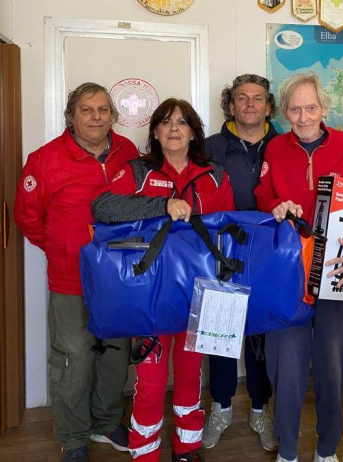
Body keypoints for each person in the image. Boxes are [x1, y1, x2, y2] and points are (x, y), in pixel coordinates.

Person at [254, 72, 343, 462]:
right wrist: (275, 207)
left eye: (311, 108)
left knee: (332, 368)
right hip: (289, 279)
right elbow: (262, 197)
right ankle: (287, 451)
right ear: (283, 111)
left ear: (325, 108)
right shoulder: (275, 149)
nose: (303, 118)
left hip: (338, 276)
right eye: (294, 109)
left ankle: (326, 450)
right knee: (285, 368)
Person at [92, 98, 235, 462]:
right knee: (152, 380)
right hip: (151, 295)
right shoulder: (138, 171)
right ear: (155, 131)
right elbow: (103, 207)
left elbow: (229, 231)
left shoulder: (215, 174)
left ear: (193, 133)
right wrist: (162, 205)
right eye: (166, 122)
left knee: (190, 374)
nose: (174, 128)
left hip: (201, 293)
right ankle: (145, 453)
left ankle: (187, 448)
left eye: (182, 122)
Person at [14, 82, 139, 462]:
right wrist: (63, 250)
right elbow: (27, 218)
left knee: (114, 355)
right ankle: (72, 438)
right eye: (87, 110)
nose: (96, 117)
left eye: (103, 110)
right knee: (73, 360)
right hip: (70, 280)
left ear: (112, 116)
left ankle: (107, 422)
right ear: (71, 116)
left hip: (117, 280)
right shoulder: (44, 160)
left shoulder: (128, 152)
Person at [202, 74, 279, 452]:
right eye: (242, 98)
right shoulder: (210, 148)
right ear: (230, 106)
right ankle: (220, 407)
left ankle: (260, 408)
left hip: (269, 258)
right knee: (219, 335)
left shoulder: (284, 145)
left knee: (261, 337)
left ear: (269, 106)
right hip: (222, 256)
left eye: (257, 98)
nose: (250, 104)